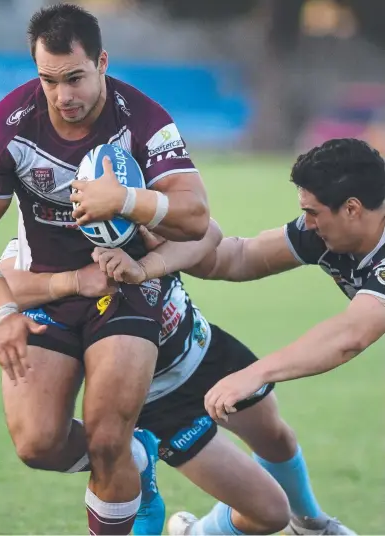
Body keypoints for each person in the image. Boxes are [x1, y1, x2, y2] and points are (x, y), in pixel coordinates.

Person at [0, 4, 209, 534]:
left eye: (75, 77)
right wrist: (3, 312)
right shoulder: (8, 126)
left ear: (102, 63)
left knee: (106, 436)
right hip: (49, 289)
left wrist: (127, 200)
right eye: (49, 80)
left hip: (125, 284)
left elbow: (196, 217)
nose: (62, 95)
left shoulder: (143, 119)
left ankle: (121, 456)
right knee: (37, 443)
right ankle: (138, 461)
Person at [0, 223, 354, 536]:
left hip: (203, 348)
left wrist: (156, 236)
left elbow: (208, 234)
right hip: (161, 402)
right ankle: (192, 526)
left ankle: (312, 525)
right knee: (269, 514)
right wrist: (73, 281)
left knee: (277, 436)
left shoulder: (137, 216)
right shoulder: (40, 245)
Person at [181, 137, 383, 534]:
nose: (305, 222)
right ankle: (306, 526)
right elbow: (239, 257)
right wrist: (156, 240)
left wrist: (257, 373)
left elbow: (351, 334)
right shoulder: (328, 232)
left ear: (353, 209)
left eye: (312, 212)